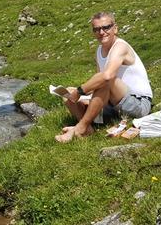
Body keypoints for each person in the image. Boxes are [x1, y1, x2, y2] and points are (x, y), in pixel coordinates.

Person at [55, 11, 152, 142]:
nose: (101, 32)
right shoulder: (99, 51)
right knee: (68, 95)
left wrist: (80, 91)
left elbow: (107, 77)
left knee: (106, 80)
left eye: (106, 27)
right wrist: (83, 96)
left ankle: (80, 128)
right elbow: (98, 83)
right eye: (96, 29)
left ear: (115, 28)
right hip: (114, 103)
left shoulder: (120, 46)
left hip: (139, 104)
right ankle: (87, 127)